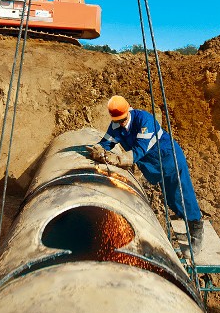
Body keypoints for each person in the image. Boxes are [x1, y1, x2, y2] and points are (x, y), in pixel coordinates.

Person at [88, 95, 205, 254]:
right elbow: (106, 142)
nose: (120, 123)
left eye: (122, 120)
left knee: (181, 194)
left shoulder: (144, 120)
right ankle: (189, 224)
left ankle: (196, 228)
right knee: (171, 198)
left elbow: (140, 149)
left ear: (129, 110)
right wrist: (98, 149)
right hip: (152, 163)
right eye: (117, 120)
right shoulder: (116, 125)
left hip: (168, 157)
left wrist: (119, 159)